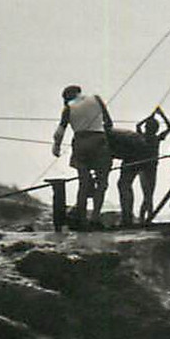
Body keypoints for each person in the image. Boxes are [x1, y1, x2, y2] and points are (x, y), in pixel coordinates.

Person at [51, 84, 113, 230]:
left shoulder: (68, 108)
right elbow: (108, 123)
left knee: (83, 183)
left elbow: (60, 132)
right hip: (99, 141)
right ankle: (95, 218)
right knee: (102, 183)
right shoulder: (96, 99)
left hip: (80, 143)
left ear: (67, 97)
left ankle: (82, 219)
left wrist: (56, 146)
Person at [111, 111, 170, 227]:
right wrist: (160, 114)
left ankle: (144, 218)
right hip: (150, 167)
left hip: (146, 166)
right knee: (148, 195)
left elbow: (138, 125)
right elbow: (169, 127)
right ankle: (147, 219)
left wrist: (151, 116)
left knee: (147, 195)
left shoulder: (142, 136)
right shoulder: (156, 138)